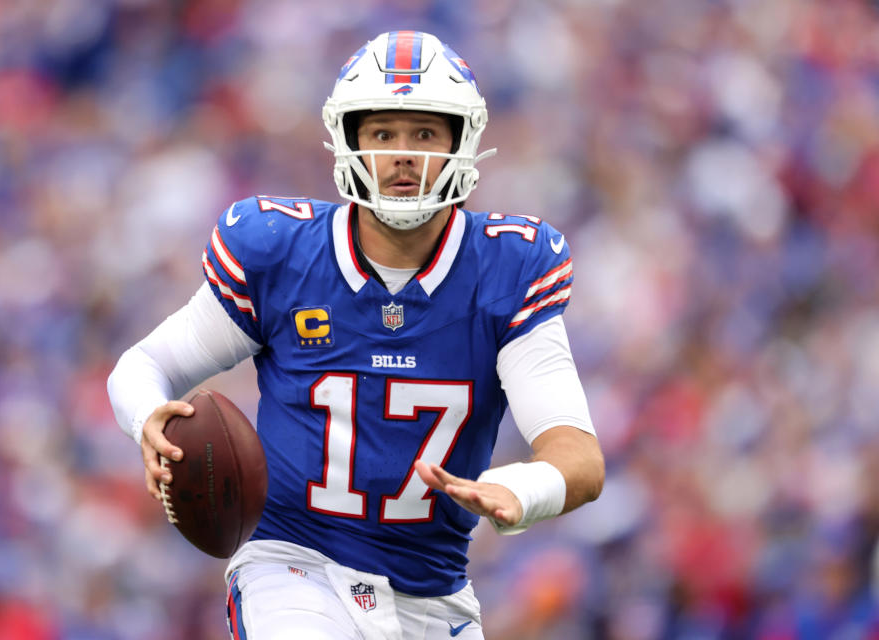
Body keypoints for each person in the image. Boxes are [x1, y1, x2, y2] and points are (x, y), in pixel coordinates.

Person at [107, 30, 604, 639]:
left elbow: (578, 458)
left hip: (433, 595)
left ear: (461, 141)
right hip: (293, 567)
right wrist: (148, 415)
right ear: (349, 142)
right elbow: (140, 366)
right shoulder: (278, 253)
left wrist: (517, 488)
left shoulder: (508, 270)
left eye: (424, 133)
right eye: (382, 134)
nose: (402, 154)